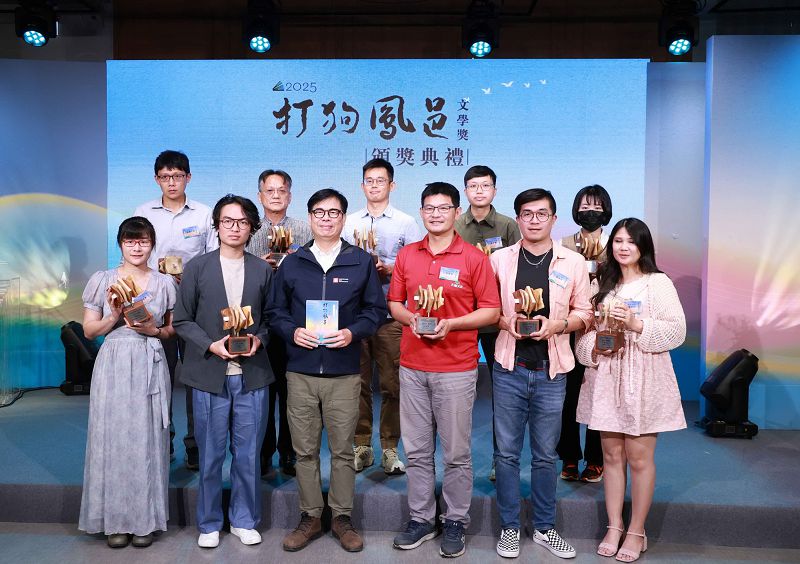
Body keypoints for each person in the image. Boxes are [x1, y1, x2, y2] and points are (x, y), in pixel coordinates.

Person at [270, 188, 386, 553]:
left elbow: (375, 311)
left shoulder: (360, 261)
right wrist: (292, 332)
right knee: (304, 451)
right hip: (301, 371)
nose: (326, 218)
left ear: (343, 218)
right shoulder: (292, 262)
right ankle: (310, 516)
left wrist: (353, 332)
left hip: (344, 372)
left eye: (333, 212)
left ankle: (341, 517)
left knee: (342, 451)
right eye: (319, 212)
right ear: (309, 218)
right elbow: (275, 312)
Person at [389, 182, 500, 558]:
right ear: (421, 212)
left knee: (456, 452)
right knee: (417, 450)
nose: (436, 214)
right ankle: (421, 518)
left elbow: (491, 311)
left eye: (443, 208)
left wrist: (451, 324)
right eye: (429, 208)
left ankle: (455, 520)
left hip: (456, 368)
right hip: (412, 366)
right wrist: (411, 317)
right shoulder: (407, 255)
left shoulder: (473, 258)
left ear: (455, 212)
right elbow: (395, 303)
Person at [489, 188, 593, 560]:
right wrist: (506, 322)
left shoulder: (573, 262)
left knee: (546, 455)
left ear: (553, 219)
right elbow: (486, 309)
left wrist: (558, 325)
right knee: (506, 454)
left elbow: (585, 312)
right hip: (509, 367)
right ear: (517, 219)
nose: (534, 220)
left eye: (542, 214)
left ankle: (545, 528)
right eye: (527, 214)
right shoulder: (499, 259)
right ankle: (509, 527)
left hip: (553, 370)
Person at [575, 218, 686, 563]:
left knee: (639, 458)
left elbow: (677, 331)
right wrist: (596, 347)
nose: (623, 247)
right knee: (610, 457)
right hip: (607, 377)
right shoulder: (602, 283)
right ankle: (614, 525)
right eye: (618, 241)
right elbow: (584, 340)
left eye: (631, 242)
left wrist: (637, 325)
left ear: (643, 246)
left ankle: (637, 530)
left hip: (644, 376)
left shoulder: (658, 283)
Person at [173, 194, 274, 549]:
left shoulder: (262, 269)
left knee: (248, 453)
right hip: (209, 373)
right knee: (211, 453)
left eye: (242, 222)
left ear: (252, 228)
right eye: (228, 221)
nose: (235, 228)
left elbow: (271, 319)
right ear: (216, 226)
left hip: (252, 375)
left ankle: (245, 519)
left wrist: (259, 339)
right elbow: (182, 320)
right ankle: (210, 521)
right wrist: (210, 345)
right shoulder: (197, 267)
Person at [78, 216, 176, 548]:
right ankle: (115, 521)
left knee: (148, 439)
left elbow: (172, 329)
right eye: (130, 241)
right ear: (120, 244)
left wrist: (154, 330)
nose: (137, 247)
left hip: (150, 360)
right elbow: (89, 331)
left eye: (143, 241)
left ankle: (144, 520)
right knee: (113, 437)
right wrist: (114, 315)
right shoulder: (103, 280)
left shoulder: (165, 283)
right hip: (114, 361)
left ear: (152, 244)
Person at [134, 149, 218, 471]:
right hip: (156, 307)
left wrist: (192, 276)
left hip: (194, 306)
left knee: (195, 377)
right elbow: (135, 256)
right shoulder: (144, 212)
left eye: (178, 176)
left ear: (188, 178)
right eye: (165, 177)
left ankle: (195, 444)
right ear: (157, 179)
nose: (172, 182)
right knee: (160, 377)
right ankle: (162, 440)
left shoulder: (204, 214)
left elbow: (214, 259)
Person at [344, 158, 422, 475]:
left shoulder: (406, 223)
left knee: (393, 384)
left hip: (391, 313)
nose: (374, 185)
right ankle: (361, 445)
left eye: (381, 180)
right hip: (355, 314)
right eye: (369, 180)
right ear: (362, 185)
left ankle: (390, 448)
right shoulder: (348, 222)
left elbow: (417, 267)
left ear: (392, 185)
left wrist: (390, 268)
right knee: (357, 383)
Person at [454, 164, 521, 481]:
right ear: (465, 191)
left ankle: (501, 458)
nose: (479, 191)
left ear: (495, 190)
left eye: (485, 186)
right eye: (473, 186)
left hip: (498, 321)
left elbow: (518, 269)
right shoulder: (455, 225)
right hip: (463, 319)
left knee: (503, 394)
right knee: (456, 393)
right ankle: (457, 459)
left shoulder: (508, 226)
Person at [247, 169, 312, 478]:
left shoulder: (304, 230)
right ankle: (263, 452)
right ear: (260, 196)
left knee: (291, 391)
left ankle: (289, 451)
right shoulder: (248, 229)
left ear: (290, 195)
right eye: (269, 190)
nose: (275, 195)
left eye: (281, 190)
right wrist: (258, 265)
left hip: (293, 320)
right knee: (261, 390)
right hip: (256, 319)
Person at [556, 184, 613, 483]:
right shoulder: (563, 244)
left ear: (606, 211)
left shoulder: (615, 244)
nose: (591, 212)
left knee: (598, 396)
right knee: (568, 396)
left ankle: (595, 458)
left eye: (597, 208)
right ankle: (568, 456)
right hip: (569, 328)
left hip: (604, 330)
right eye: (585, 207)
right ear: (576, 211)